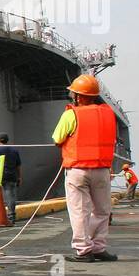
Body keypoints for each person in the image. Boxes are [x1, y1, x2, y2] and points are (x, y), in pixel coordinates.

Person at [52, 74, 118, 262]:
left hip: (78, 170)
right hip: (102, 170)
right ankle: (99, 247)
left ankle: (83, 250)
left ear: (78, 96)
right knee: (102, 210)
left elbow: (57, 139)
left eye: (74, 93)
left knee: (80, 211)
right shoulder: (108, 114)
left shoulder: (71, 113)